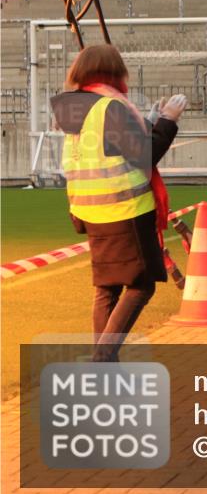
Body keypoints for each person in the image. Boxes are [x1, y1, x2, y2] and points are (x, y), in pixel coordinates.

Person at [50, 44, 186, 362]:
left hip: (89, 209)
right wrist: (167, 120)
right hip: (124, 209)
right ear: (115, 71)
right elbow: (143, 155)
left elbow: (112, 145)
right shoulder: (110, 105)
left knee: (108, 287)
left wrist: (148, 119)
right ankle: (102, 358)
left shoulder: (77, 107)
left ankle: (105, 366)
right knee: (141, 285)